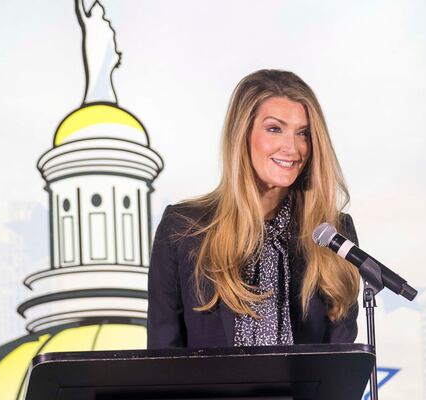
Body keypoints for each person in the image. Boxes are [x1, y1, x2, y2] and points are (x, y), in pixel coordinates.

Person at [147, 69, 360, 349]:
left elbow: (340, 372)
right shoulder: (183, 229)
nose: (293, 148)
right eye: (274, 129)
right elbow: (163, 360)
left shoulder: (333, 235)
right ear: (242, 135)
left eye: (303, 133)